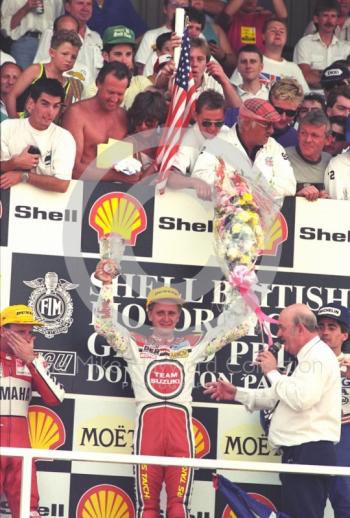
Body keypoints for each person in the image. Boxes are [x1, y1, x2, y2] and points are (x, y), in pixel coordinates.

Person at [94, 263, 241, 518]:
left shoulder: (192, 343)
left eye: (171, 313)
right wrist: (106, 285)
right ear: (150, 314)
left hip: (180, 435)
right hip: (147, 435)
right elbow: (104, 325)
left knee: (179, 506)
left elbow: (236, 329)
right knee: (147, 507)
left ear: (178, 315)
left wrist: (241, 287)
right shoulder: (134, 344)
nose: (166, 318)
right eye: (160, 312)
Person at [205, 303, 341, 518]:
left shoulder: (318, 357)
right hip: (301, 451)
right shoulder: (307, 358)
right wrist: (236, 393)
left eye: (282, 328)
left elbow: (301, 399)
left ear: (299, 329)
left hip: (308, 451)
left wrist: (272, 372)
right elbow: (279, 398)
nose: (278, 335)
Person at [0, 304, 65, 518]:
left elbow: (55, 398)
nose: (26, 338)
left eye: (30, 333)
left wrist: (31, 361)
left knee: (29, 512)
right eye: (20, 332)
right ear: (2, 330)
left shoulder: (35, 361)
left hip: (22, 453)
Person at [192, 98, 296, 199]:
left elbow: (289, 187)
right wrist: (247, 189)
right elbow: (199, 178)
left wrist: (241, 185)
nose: (271, 131)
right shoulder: (215, 143)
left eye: (272, 125)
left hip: (268, 215)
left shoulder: (275, 147)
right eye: (266, 125)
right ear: (246, 123)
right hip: (223, 214)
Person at [0, 78, 76, 193]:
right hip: (8, 199)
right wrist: (14, 163)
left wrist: (22, 176)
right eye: (45, 104)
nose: (50, 112)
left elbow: (62, 184)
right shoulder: (7, 127)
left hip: (45, 207)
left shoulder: (64, 138)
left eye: (56, 106)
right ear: (31, 104)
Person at [62, 61, 130, 181]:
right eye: (110, 92)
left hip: (115, 193)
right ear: (98, 83)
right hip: (81, 188)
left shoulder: (124, 117)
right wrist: (118, 177)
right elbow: (73, 168)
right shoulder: (77, 113)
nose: (114, 99)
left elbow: (129, 163)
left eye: (120, 94)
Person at [317, 303, 350, 517]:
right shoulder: (301, 364)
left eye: (332, 327)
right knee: (305, 511)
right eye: (320, 326)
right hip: (311, 446)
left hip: (344, 450)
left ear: (345, 334)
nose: (325, 332)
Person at [5, 29, 83, 119]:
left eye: (73, 57)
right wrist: (15, 123)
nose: (69, 59)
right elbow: (11, 95)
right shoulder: (36, 70)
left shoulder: (69, 85)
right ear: (52, 52)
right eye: (65, 54)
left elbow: (61, 116)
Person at [167, 89, 228, 199]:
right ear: (195, 115)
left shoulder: (227, 133)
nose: (212, 128)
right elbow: (170, 177)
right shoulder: (187, 140)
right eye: (206, 123)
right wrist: (193, 181)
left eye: (218, 123)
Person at [230, 17, 309, 95]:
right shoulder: (251, 61)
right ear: (263, 36)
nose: (278, 33)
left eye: (282, 31)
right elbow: (232, 90)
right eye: (273, 30)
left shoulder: (293, 68)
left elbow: (306, 95)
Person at [84, 25, 152, 109]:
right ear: (105, 56)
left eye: (128, 54)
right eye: (118, 54)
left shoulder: (141, 83)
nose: (124, 60)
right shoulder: (93, 90)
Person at [293, 2, 350, 92]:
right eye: (325, 15)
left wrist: (319, 74)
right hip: (312, 100)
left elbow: (348, 79)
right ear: (316, 19)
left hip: (338, 101)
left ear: (338, 20)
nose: (329, 21)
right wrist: (336, 80)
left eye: (333, 16)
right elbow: (305, 76)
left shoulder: (346, 48)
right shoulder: (305, 43)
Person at [0, 0, 63, 69]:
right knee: (23, 77)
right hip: (25, 44)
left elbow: (60, 22)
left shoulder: (57, 1)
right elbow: (4, 27)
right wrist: (25, 9)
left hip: (49, 43)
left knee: (45, 77)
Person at [286, 109, 332, 201]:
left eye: (314, 135)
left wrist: (324, 198)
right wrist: (297, 196)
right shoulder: (282, 157)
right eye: (303, 133)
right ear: (298, 135)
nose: (308, 140)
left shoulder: (331, 162)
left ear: (327, 140)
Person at [135, 0, 189, 75]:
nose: (178, 9)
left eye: (183, 6)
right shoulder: (150, 35)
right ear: (165, 9)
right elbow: (141, 70)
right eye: (174, 4)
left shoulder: (196, 36)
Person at [222, 0, 287, 53]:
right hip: (235, 64)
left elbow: (282, 17)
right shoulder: (233, 16)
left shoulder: (265, 17)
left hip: (262, 65)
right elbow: (227, 13)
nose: (251, 1)